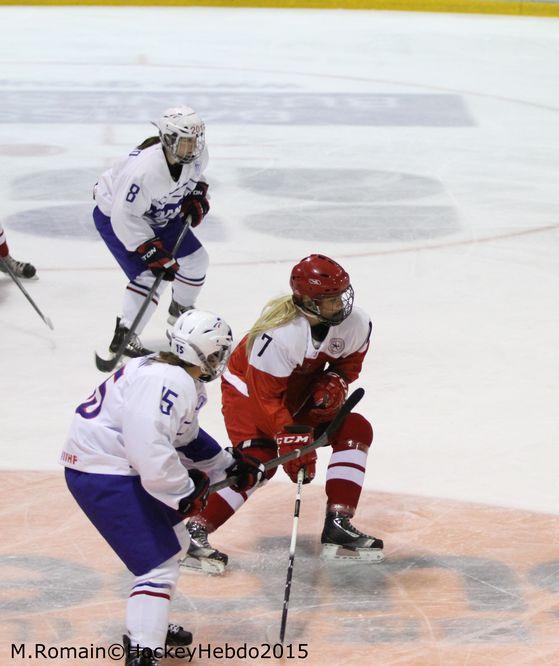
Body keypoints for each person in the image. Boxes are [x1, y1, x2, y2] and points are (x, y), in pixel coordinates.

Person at [60, 310, 263, 666]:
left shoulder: (173, 374)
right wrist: (183, 491)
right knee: (157, 567)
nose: (220, 360)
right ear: (204, 354)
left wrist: (226, 466)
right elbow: (148, 449)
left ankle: (147, 623)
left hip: (110, 465)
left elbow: (185, 439)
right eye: (218, 353)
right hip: (104, 473)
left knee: (176, 545)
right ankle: (143, 650)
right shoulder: (169, 383)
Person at [182, 254, 379, 574]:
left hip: (298, 388)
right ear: (308, 302)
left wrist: (335, 381)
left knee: (355, 429)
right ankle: (195, 529)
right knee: (257, 462)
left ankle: (338, 524)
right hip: (248, 393)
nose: (341, 304)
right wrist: (293, 443)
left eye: (343, 293)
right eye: (331, 299)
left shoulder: (356, 323)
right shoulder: (278, 335)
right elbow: (267, 400)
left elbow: (348, 366)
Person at [92, 105, 212, 360]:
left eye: (195, 140)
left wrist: (197, 195)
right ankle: (125, 334)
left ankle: (180, 310)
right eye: (186, 141)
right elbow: (123, 215)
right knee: (151, 274)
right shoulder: (144, 171)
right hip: (120, 219)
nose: (193, 147)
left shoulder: (196, 157)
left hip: (160, 213)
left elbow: (195, 179)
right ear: (168, 140)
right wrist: (148, 250)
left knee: (196, 261)